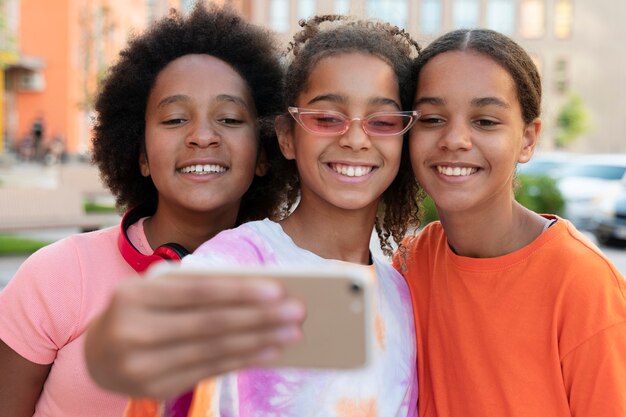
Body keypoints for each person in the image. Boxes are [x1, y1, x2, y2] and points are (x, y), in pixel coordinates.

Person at [89, 14, 424, 417]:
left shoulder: (400, 294)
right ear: (286, 136)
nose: (355, 138)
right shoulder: (225, 272)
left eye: (382, 121)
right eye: (326, 118)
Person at [0, 4, 301, 417]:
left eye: (229, 119)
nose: (202, 136)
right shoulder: (57, 277)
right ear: (141, 155)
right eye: (175, 119)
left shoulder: (294, 289)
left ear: (264, 153)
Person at [394, 28, 626, 416]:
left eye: (485, 121)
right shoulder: (409, 264)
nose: (455, 139)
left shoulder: (584, 284)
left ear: (528, 138)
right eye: (432, 118)